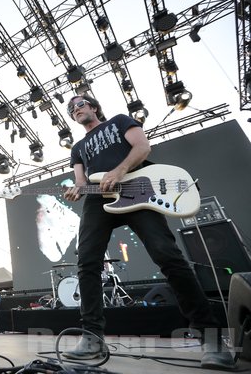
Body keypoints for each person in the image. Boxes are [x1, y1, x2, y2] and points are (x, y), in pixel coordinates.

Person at [61, 94, 235, 369]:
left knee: (168, 256)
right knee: (87, 263)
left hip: (138, 190)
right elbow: (82, 181)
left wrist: (119, 171)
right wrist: (76, 190)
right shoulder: (78, 147)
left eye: (80, 104)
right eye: (71, 109)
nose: (76, 109)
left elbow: (142, 148)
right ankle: (92, 338)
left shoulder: (118, 121)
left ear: (94, 106)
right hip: (98, 202)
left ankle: (211, 339)